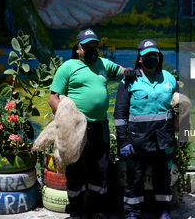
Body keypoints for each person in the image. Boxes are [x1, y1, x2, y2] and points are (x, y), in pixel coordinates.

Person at [48, 28, 135, 219]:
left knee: (101, 169)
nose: (93, 50)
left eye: (95, 46)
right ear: (78, 49)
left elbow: (120, 71)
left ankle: (97, 211)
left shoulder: (103, 64)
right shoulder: (67, 67)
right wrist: (64, 117)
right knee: (75, 168)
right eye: (88, 47)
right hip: (76, 128)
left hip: (100, 127)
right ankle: (76, 211)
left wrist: (127, 72)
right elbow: (53, 98)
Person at [114, 39, 187, 219]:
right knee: (134, 178)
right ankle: (132, 212)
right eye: (147, 56)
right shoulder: (129, 81)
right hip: (137, 141)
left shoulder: (169, 79)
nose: (151, 59)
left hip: (164, 140)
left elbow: (182, 107)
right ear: (139, 59)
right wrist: (123, 141)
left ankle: (163, 210)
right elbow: (120, 114)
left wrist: (184, 131)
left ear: (159, 57)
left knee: (163, 179)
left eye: (154, 55)